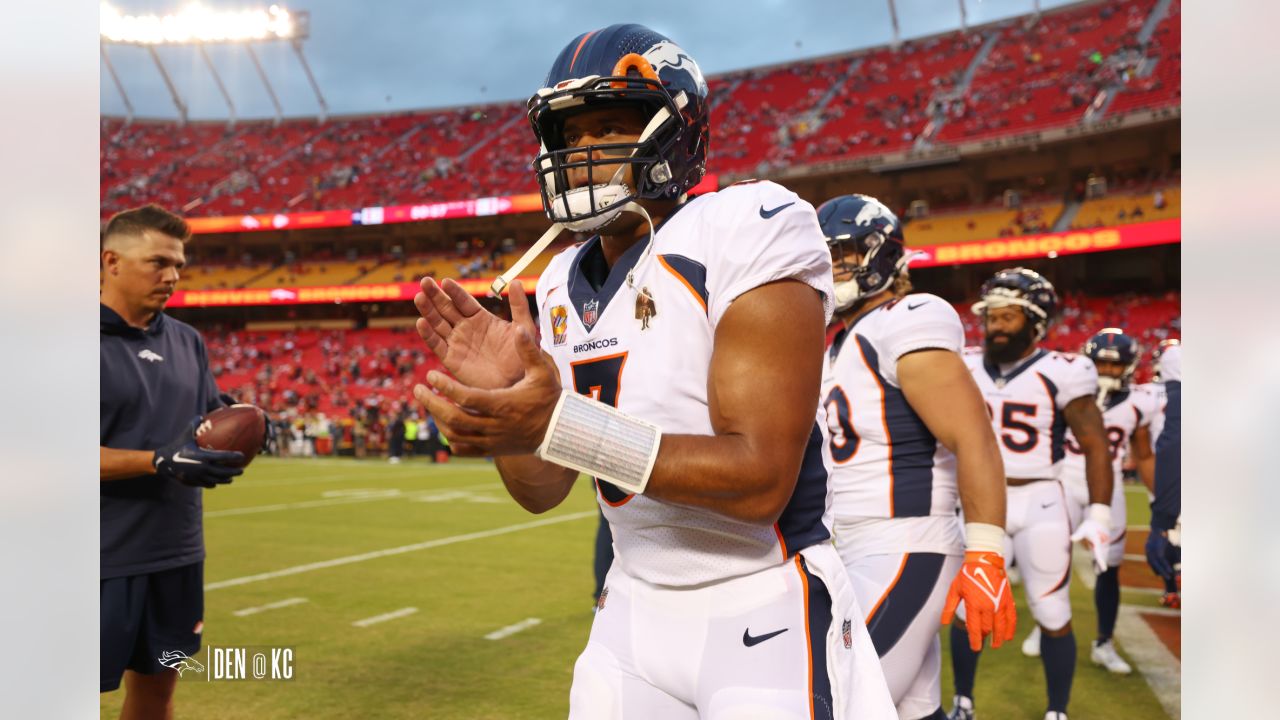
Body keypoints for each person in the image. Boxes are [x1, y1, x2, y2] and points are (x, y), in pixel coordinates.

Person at [412, 23, 896, 719]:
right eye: (569, 136)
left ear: (676, 131)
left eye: (608, 127)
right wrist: (510, 419)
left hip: (764, 595)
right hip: (630, 607)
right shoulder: (554, 284)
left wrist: (562, 422)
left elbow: (760, 479)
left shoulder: (746, 226)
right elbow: (544, 490)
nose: (582, 153)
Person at [817, 194, 1014, 720]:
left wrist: (987, 553)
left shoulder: (905, 317)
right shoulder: (837, 344)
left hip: (907, 542)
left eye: (844, 255)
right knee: (913, 710)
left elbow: (973, 436)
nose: (832, 270)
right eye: (824, 258)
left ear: (882, 255)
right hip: (857, 544)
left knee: (837, 702)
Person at [100, 205, 246, 718]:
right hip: (94, 558)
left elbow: (205, 422)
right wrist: (157, 460)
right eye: (158, 262)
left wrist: (241, 426)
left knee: (157, 693)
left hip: (176, 554)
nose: (173, 276)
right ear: (111, 261)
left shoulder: (188, 340)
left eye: (179, 264)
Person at [949, 268, 1113, 720]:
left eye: (1009, 317)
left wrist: (1099, 513)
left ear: (1037, 322)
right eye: (992, 317)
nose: (996, 326)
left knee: (1052, 609)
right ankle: (963, 700)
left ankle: (1056, 711)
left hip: (1041, 499)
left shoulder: (1065, 370)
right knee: (969, 606)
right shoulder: (961, 362)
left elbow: (1096, 443)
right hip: (982, 501)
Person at [1021, 329, 1157, 674]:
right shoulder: (1067, 393)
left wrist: (1159, 499)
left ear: (1129, 366)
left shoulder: (1140, 402)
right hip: (1062, 483)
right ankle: (1045, 625)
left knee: (1109, 568)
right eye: (1100, 364)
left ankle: (1104, 642)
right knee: (1052, 560)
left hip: (1107, 489)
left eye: (1115, 365)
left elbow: (1143, 455)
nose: (1107, 371)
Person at [1145, 341, 1181, 606]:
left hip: (1170, 472)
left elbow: (1172, 442)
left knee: (1169, 532)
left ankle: (1172, 584)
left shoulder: (1148, 392)